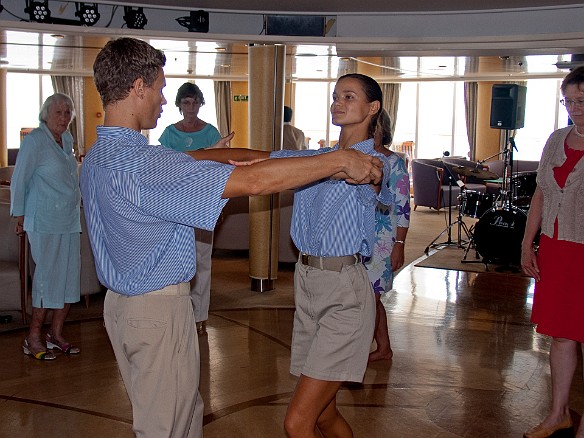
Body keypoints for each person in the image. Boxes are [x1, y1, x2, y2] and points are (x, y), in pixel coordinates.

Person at [81, 37, 382, 438]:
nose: (163, 99)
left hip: (124, 310)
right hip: (155, 315)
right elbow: (255, 182)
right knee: (166, 429)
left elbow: (184, 161)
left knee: (179, 418)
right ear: (138, 88)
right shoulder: (144, 167)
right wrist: (340, 159)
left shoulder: (101, 155)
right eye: (159, 88)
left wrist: (219, 153)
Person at [270, 73, 392, 438]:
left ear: (372, 108)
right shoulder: (319, 157)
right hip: (307, 284)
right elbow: (260, 160)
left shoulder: (371, 164)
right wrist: (198, 158)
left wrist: (367, 178)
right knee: (323, 416)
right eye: (335, 96)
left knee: (297, 422)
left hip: (344, 294)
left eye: (348, 97)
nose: (337, 103)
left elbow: (373, 183)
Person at [521, 66, 584, 438]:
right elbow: (542, 193)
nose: (576, 108)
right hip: (558, 250)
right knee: (562, 334)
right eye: (570, 101)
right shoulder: (556, 139)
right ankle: (558, 412)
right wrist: (528, 242)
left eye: (583, 101)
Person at [11, 93, 82, 360]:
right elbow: (20, 180)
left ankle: (56, 334)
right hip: (43, 221)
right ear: (46, 114)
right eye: (58, 113)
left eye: (67, 113)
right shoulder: (35, 141)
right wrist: (19, 216)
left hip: (68, 220)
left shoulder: (66, 140)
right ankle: (33, 338)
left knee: (68, 278)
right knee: (46, 279)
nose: (63, 118)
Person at [158, 82, 230, 336]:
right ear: (179, 105)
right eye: (186, 102)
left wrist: (218, 205)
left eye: (195, 102)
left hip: (202, 204)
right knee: (177, 262)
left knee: (202, 262)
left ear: (200, 104)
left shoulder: (211, 133)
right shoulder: (169, 134)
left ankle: (200, 316)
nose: (190, 107)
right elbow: (162, 171)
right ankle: (180, 314)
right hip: (175, 207)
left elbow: (221, 170)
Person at [362, 109, 410, 362]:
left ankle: (359, 352)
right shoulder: (355, 158)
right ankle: (383, 347)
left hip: (382, 240)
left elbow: (403, 207)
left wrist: (399, 244)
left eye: (376, 128)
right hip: (356, 238)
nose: (371, 134)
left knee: (371, 298)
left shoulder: (394, 163)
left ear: (384, 130)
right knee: (369, 298)